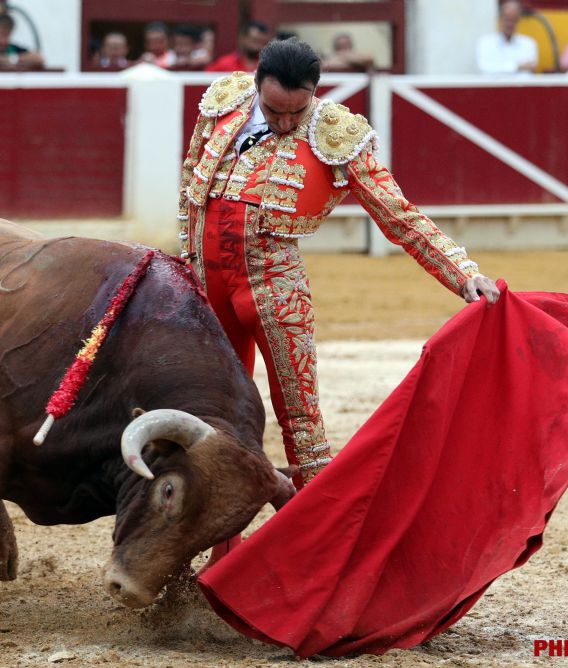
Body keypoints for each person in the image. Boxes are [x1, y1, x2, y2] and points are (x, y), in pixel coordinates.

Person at [177, 39, 499, 494]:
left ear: (315, 91)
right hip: (208, 287)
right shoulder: (223, 102)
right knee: (212, 416)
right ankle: (219, 548)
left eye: (298, 111)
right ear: (256, 85)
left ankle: (316, 551)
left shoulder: (336, 135)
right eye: (274, 112)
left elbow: (399, 216)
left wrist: (462, 273)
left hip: (274, 292)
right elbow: (192, 182)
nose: (286, 123)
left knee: (303, 428)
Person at [476, 1, 537, 75]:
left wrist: (501, 68)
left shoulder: (528, 44)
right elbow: (485, 68)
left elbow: (528, 74)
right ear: (500, 19)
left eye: (513, 20)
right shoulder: (486, 43)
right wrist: (518, 67)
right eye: (507, 19)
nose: (509, 24)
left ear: (518, 20)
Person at [205, 20, 270, 72]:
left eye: (262, 42)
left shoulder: (269, 65)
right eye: (254, 40)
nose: (257, 46)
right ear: (242, 38)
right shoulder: (224, 63)